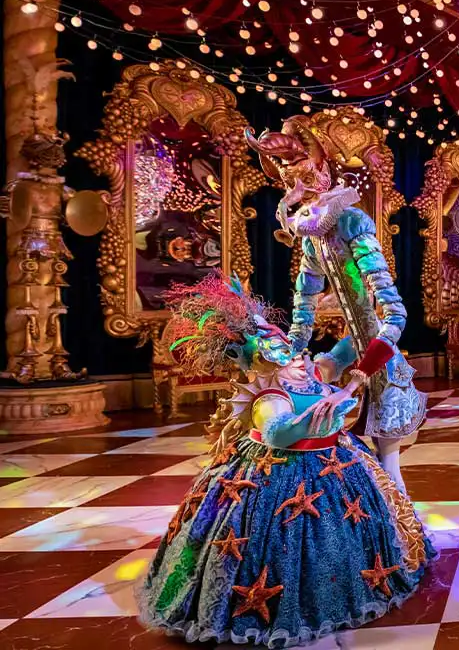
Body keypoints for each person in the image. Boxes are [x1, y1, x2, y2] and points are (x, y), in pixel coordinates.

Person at [138, 276, 432, 647]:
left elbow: (346, 351)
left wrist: (367, 313)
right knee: (291, 550)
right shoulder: (269, 396)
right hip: (278, 479)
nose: (301, 360)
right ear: (264, 365)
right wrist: (314, 418)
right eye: (289, 357)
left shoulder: (315, 375)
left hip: (336, 465)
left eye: (298, 355)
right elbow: (277, 432)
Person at [248, 122, 426, 493]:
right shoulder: (314, 241)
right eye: (292, 184)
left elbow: (395, 315)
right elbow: (304, 306)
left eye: (308, 177)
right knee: (350, 460)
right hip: (351, 349)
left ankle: (405, 541)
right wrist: (290, 352)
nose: (302, 190)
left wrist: (356, 381)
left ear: (326, 173)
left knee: (387, 463)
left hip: (380, 359)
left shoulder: (352, 221)